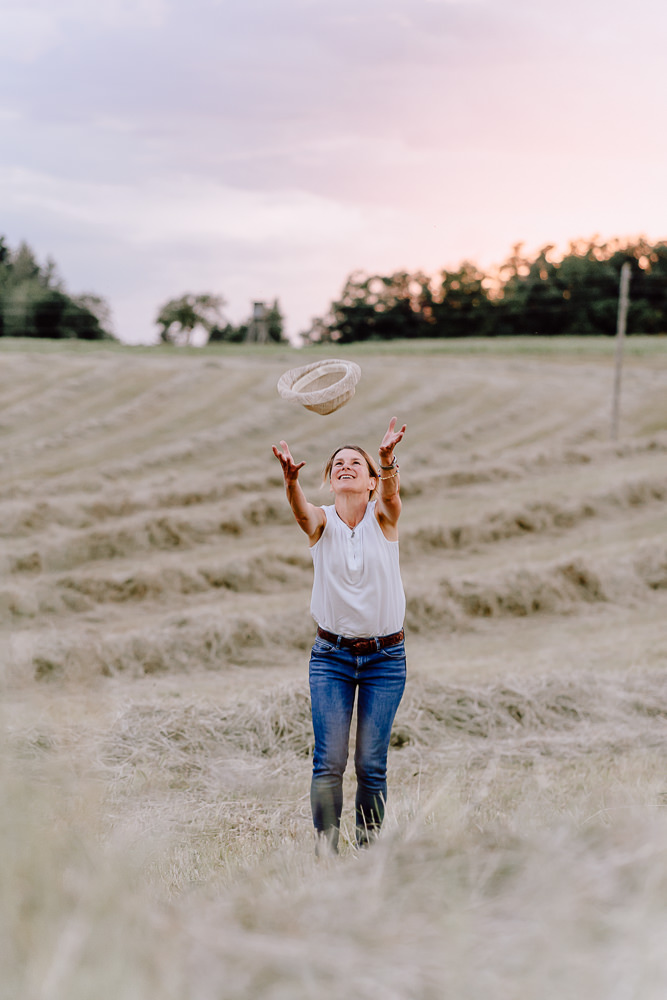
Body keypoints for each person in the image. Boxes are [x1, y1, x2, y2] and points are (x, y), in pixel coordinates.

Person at [272, 417, 407, 853]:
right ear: (330, 482)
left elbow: (392, 495)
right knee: (329, 762)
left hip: (385, 661)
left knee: (371, 765)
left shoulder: (383, 518)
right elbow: (300, 511)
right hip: (331, 658)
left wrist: (386, 461)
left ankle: (368, 850)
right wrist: (292, 482)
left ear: (369, 482)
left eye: (356, 463)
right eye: (338, 464)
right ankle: (324, 850)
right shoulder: (322, 523)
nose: (346, 466)